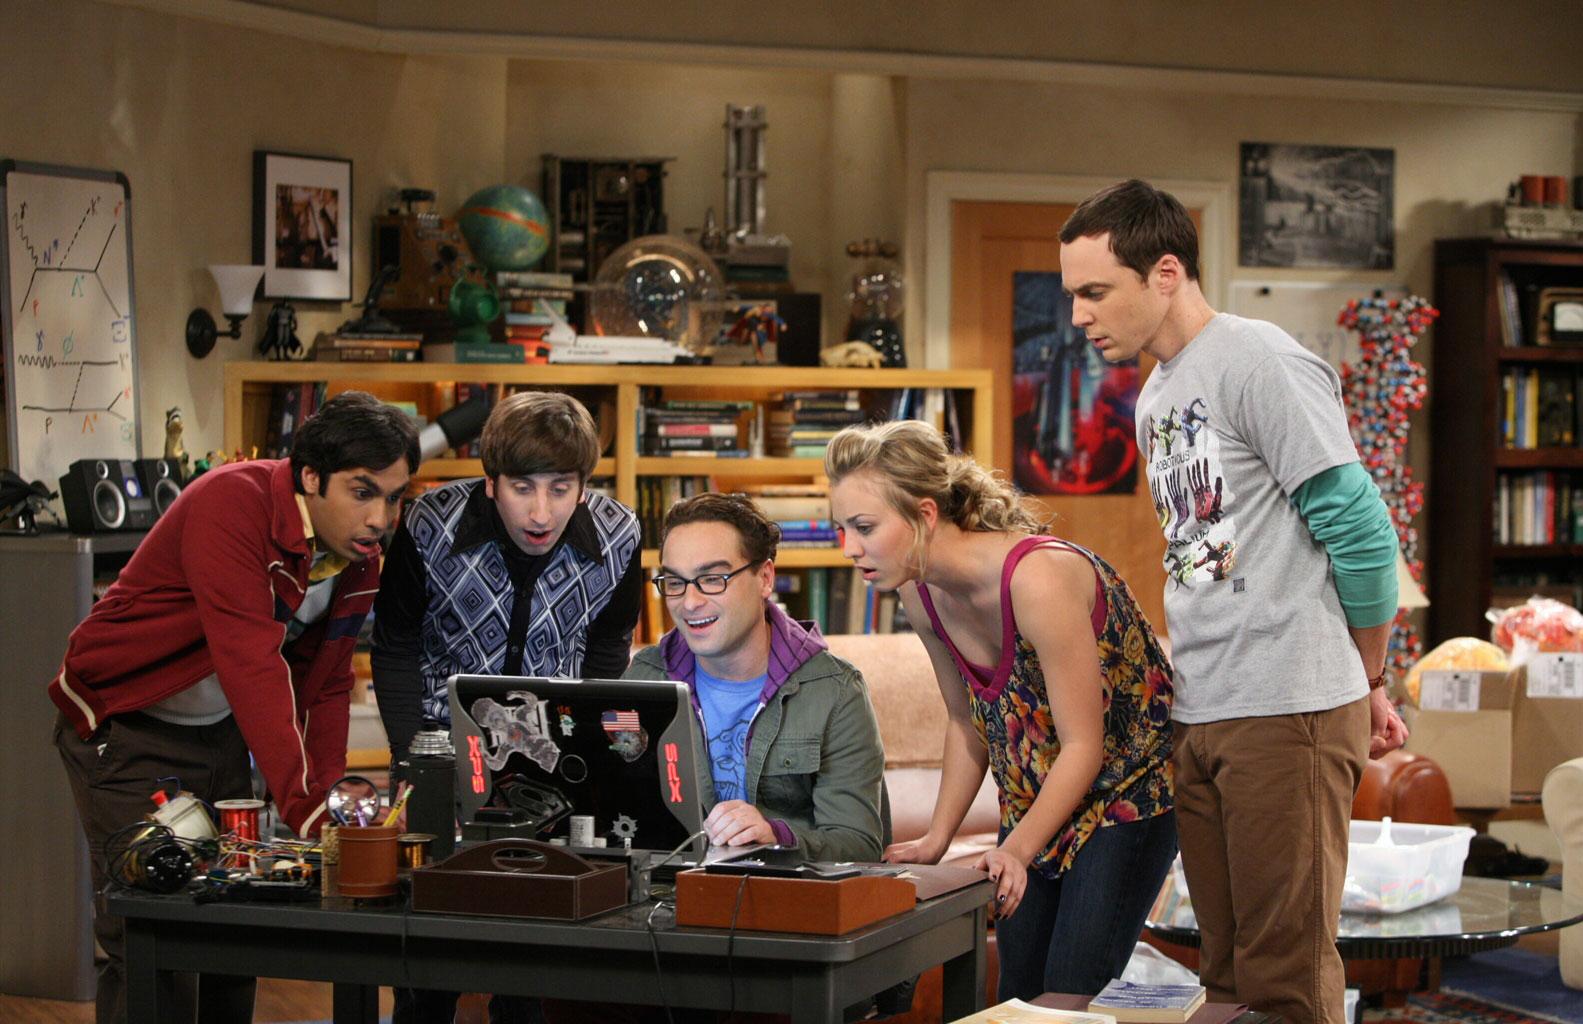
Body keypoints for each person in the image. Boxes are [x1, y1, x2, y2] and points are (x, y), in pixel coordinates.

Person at [1057, 178, 1406, 1024]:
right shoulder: (1157, 393)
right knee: (1223, 973)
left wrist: (1364, 676)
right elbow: (1205, 556)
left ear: (1165, 272)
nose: (1077, 315)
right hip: (1205, 704)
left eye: (1094, 291)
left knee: (1283, 976)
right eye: (1072, 295)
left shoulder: (1258, 359)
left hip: (1287, 702)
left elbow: (1360, 529)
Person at [50, 390, 419, 1024]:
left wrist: (330, 801)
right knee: (152, 940)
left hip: (218, 730)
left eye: (393, 497)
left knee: (231, 930)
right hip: (125, 728)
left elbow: (329, 685)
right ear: (311, 476)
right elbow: (252, 663)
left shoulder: (358, 558)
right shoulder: (231, 503)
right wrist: (306, 811)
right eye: (363, 492)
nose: (380, 517)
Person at [826, 419, 1176, 1000]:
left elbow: (1084, 747)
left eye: (864, 527)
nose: (849, 548)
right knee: (1017, 994)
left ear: (925, 514)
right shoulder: (918, 592)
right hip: (1034, 797)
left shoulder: (1037, 579)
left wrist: (1014, 849)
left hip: (1127, 794)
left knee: (1069, 995)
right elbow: (966, 723)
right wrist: (937, 837)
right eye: (841, 529)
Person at [371, 389, 642, 1024]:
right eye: (522, 488)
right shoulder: (429, 524)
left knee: (534, 966)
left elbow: (609, 645)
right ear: (490, 482)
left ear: (583, 485)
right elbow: (395, 643)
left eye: (561, 489)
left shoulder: (620, 535)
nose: (542, 512)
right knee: (427, 955)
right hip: (439, 751)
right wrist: (413, 758)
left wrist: (587, 747)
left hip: (553, 762)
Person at [628, 492, 884, 860]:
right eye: (675, 582)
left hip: (786, 891)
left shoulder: (836, 691)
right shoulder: (643, 681)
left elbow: (860, 845)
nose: (690, 602)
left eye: (712, 579)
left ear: (765, 578)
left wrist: (775, 835)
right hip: (670, 890)